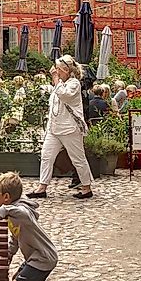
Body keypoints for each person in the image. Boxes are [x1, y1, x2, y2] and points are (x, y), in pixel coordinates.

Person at [27, 55, 93, 199]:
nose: (56, 72)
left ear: (66, 70)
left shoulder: (74, 84)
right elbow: (53, 108)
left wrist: (56, 79)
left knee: (78, 158)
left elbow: (64, 95)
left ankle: (86, 188)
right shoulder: (58, 85)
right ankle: (42, 187)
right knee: (46, 156)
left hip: (70, 129)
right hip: (54, 129)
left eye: (58, 70)